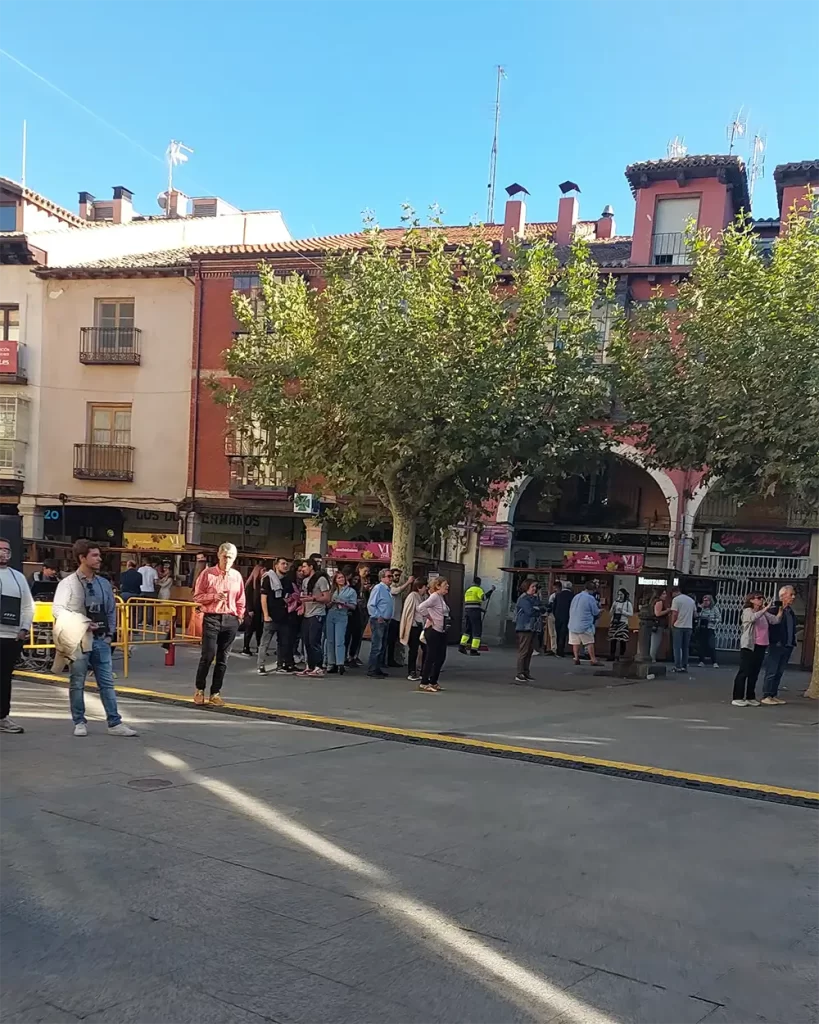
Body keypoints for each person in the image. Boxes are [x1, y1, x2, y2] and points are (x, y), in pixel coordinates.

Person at [53, 539, 137, 737]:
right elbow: (57, 609)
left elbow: (111, 610)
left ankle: (114, 722)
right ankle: (79, 721)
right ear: (82, 558)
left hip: (101, 639)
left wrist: (109, 635)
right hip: (79, 640)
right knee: (77, 681)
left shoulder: (103, 583)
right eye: (94, 555)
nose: (99, 559)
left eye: (99, 555)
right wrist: (81, 621)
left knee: (106, 682)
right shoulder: (68, 583)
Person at [192, 542, 246, 705]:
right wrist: (213, 597)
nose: (227, 560)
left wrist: (239, 617)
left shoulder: (237, 576)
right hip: (212, 617)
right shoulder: (207, 574)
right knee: (208, 655)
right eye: (225, 557)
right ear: (219, 555)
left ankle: (215, 693)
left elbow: (241, 599)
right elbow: (197, 596)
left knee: (223, 659)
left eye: (230, 557)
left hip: (230, 619)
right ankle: (199, 689)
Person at [0, 537, 33, 734]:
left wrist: (24, 628)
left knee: (4, 679)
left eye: (6, 549)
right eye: (0, 549)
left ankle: (3, 716)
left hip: (10, 637)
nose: (3, 552)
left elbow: (28, 605)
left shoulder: (18, 577)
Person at [732, 593, 783, 707]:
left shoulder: (764, 613)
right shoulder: (748, 611)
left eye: (762, 598)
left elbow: (774, 620)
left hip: (761, 645)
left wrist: (780, 610)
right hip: (750, 645)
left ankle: (750, 696)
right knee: (744, 671)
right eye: (759, 598)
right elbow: (752, 618)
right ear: (751, 600)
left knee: (754, 672)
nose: (761, 600)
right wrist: (765, 609)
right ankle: (737, 696)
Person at [257, 557, 295, 675]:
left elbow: (289, 595)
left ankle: (280, 665)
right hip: (271, 616)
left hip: (283, 615)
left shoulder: (287, 580)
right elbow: (263, 598)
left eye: (286, 564)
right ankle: (261, 665)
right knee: (265, 642)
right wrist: (266, 615)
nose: (285, 566)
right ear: (276, 565)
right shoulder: (268, 578)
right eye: (283, 564)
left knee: (282, 642)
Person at [762, 585, 798, 705]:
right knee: (772, 670)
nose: (793, 597)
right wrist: (774, 640)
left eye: (794, 594)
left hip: (787, 645)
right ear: (782, 596)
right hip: (776, 644)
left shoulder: (790, 611)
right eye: (791, 594)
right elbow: (770, 627)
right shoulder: (775, 610)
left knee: (779, 671)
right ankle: (767, 694)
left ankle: (773, 694)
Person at [297, 559, 330, 677]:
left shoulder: (321, 580)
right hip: (307, 614)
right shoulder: (305, 581)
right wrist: (302, 606)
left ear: (311, 567)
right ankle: (310, 666)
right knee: (306, 641)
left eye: (305, 566)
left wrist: (313, 599)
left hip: (317, 614)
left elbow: (327, 598)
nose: (303, 569)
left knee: (314, 641)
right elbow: (304, 597)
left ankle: (319, 667)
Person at [417, 577, 450, 692]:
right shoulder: (435, 597)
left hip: (441, 631)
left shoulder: (441, 597)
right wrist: (429, 618)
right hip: (433, 631)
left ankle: (433, 681)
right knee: (431, 656)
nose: (447, 587)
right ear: (438, 586)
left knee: (441, 657)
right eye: (445, 584)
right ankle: (424, 682)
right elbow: (421, 607)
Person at [326, 571, 358, 674]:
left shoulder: (351, 591)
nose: (341, 579)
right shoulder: (332, 591)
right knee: (330, 640)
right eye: (339, 578)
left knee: (340, 640)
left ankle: (340, 663)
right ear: (335, 580)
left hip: (342, 615)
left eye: (342, 577)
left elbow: (353, 606)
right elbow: (327, 605)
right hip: (331, 614)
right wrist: (331, 603)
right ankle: (331, 663)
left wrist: (344, 603)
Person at [367, 568, 394, 678]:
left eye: (391, 576)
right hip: (379, 620)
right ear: (382, 578)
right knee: (377, 645)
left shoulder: (387, 589)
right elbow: (371, 604)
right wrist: (378, 616)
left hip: (385, 620)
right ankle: (372, 669)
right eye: (389, 576)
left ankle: (377, 668)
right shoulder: (378, 588)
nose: (391, 578)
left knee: (382, 645)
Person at [459, 576, 495, 656]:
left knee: (468, 630)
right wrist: (491, 591)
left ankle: (462, 646)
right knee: (477, 630)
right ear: (479, 583)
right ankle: (474, 650)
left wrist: (481, 610)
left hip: (468, 612)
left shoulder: (468, 591)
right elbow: (484, 598)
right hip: (475, 613)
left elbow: (471, 603)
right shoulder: (478, 589)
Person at [514, 578, 542, 683]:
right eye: (533, 586)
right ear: (527, 587)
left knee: (529, 651)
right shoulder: (523, 599)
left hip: (532, 627)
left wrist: (538, 608)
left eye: (536, 586)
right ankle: (519, 673)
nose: (535, 589)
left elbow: (542, 607)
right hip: (524, 627)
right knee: (524, 651)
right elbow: (530, 611)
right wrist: (537, 609)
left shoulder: (534, 598)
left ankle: (526, 672)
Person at [400, 578, 428, 682]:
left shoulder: (423, 596)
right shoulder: (412, 596)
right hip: (413, 626)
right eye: (425, 586)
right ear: (419, 587)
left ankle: (423, 670)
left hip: (421, 626)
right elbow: (408, 612)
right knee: (414, 649)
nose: (426, 588)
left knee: (425, 648)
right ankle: (411, 671)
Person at [569, 580, 601, 666]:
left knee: (575, 642)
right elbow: (595, 612)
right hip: (585, 624)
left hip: (573, 623)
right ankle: (593, 660)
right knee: (589, 642)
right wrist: (600, 611)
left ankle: (576, 658)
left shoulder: (576, 596)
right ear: (593, 590)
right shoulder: (590, 598)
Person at [388, 568, 414, 667]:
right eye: (395, 575)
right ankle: (387, 660)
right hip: (391, 617)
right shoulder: (390, 587)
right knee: (389, 641)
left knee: (393, 641)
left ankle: (391, 659)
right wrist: (408, 582)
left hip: (397, 617)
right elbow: (396, 591)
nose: (397, 577)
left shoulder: (397, 586)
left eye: (399, 575)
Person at [669, 585, 697, 674]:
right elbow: (695, 614)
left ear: (674, 592)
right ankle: (684, 666)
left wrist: (672, 623)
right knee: (685, 647)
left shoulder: (676, 600)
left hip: (678, 626)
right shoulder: (691, 600)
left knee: (677, 647)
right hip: (688, 626)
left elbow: (674, 613)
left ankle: (677, 666)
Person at [241, 562, 266, 656]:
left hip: (259, 609)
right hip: (251, 610)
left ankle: (259, 647)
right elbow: (247, 597)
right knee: (249, 629)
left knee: (259, 629)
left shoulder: (262, 582)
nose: (264, 572)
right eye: (263, 570)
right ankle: (245, 647)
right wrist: (249, 609)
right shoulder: (251, 583)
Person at [607, 588, 633, 661]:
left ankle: (622, 655)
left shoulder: (628, 603)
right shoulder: (615, 602)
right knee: (613, 639)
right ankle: (612, 655)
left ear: (625, 595)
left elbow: (631, 614)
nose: (620, 596)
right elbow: (610, 613)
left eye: (621, 594)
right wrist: (613, 609)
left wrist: (623, 611)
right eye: (618, 594)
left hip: (623, 622)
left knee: (622, 640)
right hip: (614, 622)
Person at [345, 568, 364, 666]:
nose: (355, 582)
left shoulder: (357, 589)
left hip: (356, 614)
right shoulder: (347, 588)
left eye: (357, 580)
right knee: (347, 637)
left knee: (356, 635)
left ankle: (352, 656)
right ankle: (345, 657)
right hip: (348, 613)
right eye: (354, 579)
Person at [696, 594, 721, 668]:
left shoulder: (714, 608)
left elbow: (719, 618)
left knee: (711, 645)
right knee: (701, 645)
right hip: (702, 628)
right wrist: (700, 608)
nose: (705, 602)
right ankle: (701, 661)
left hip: (710, 628)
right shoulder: (701, 608)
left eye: (707, 600)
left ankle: (714, 662)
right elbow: (696, 615)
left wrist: (712, 620)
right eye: (704, 600)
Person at [650, 588, 672, 662]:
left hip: (657, 624)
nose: (665, 595)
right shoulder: (659, 602)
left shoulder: (654, 601)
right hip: (658, 625)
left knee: (654, 642)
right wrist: (668, 610)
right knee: (655, 642)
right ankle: (652, 658)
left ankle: (652, 657)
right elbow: (658, 613)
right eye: (663, 594)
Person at [553, 580, 573, 657]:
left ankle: (558, 650)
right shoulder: (572, 595)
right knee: (563, 634)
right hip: (567, 617)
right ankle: (562, 650)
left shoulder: (558, 595)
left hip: (558, 617)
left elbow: (554, 606)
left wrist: (555, 615)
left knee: (558, 633)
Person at [543, 581, 561, 656]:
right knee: (556, 633)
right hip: (558, 616)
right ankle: (556, 648)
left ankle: (553, 648)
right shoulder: (561, 595)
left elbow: (549, 606)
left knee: (552, 633)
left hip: (552, 615)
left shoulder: (553, 596)